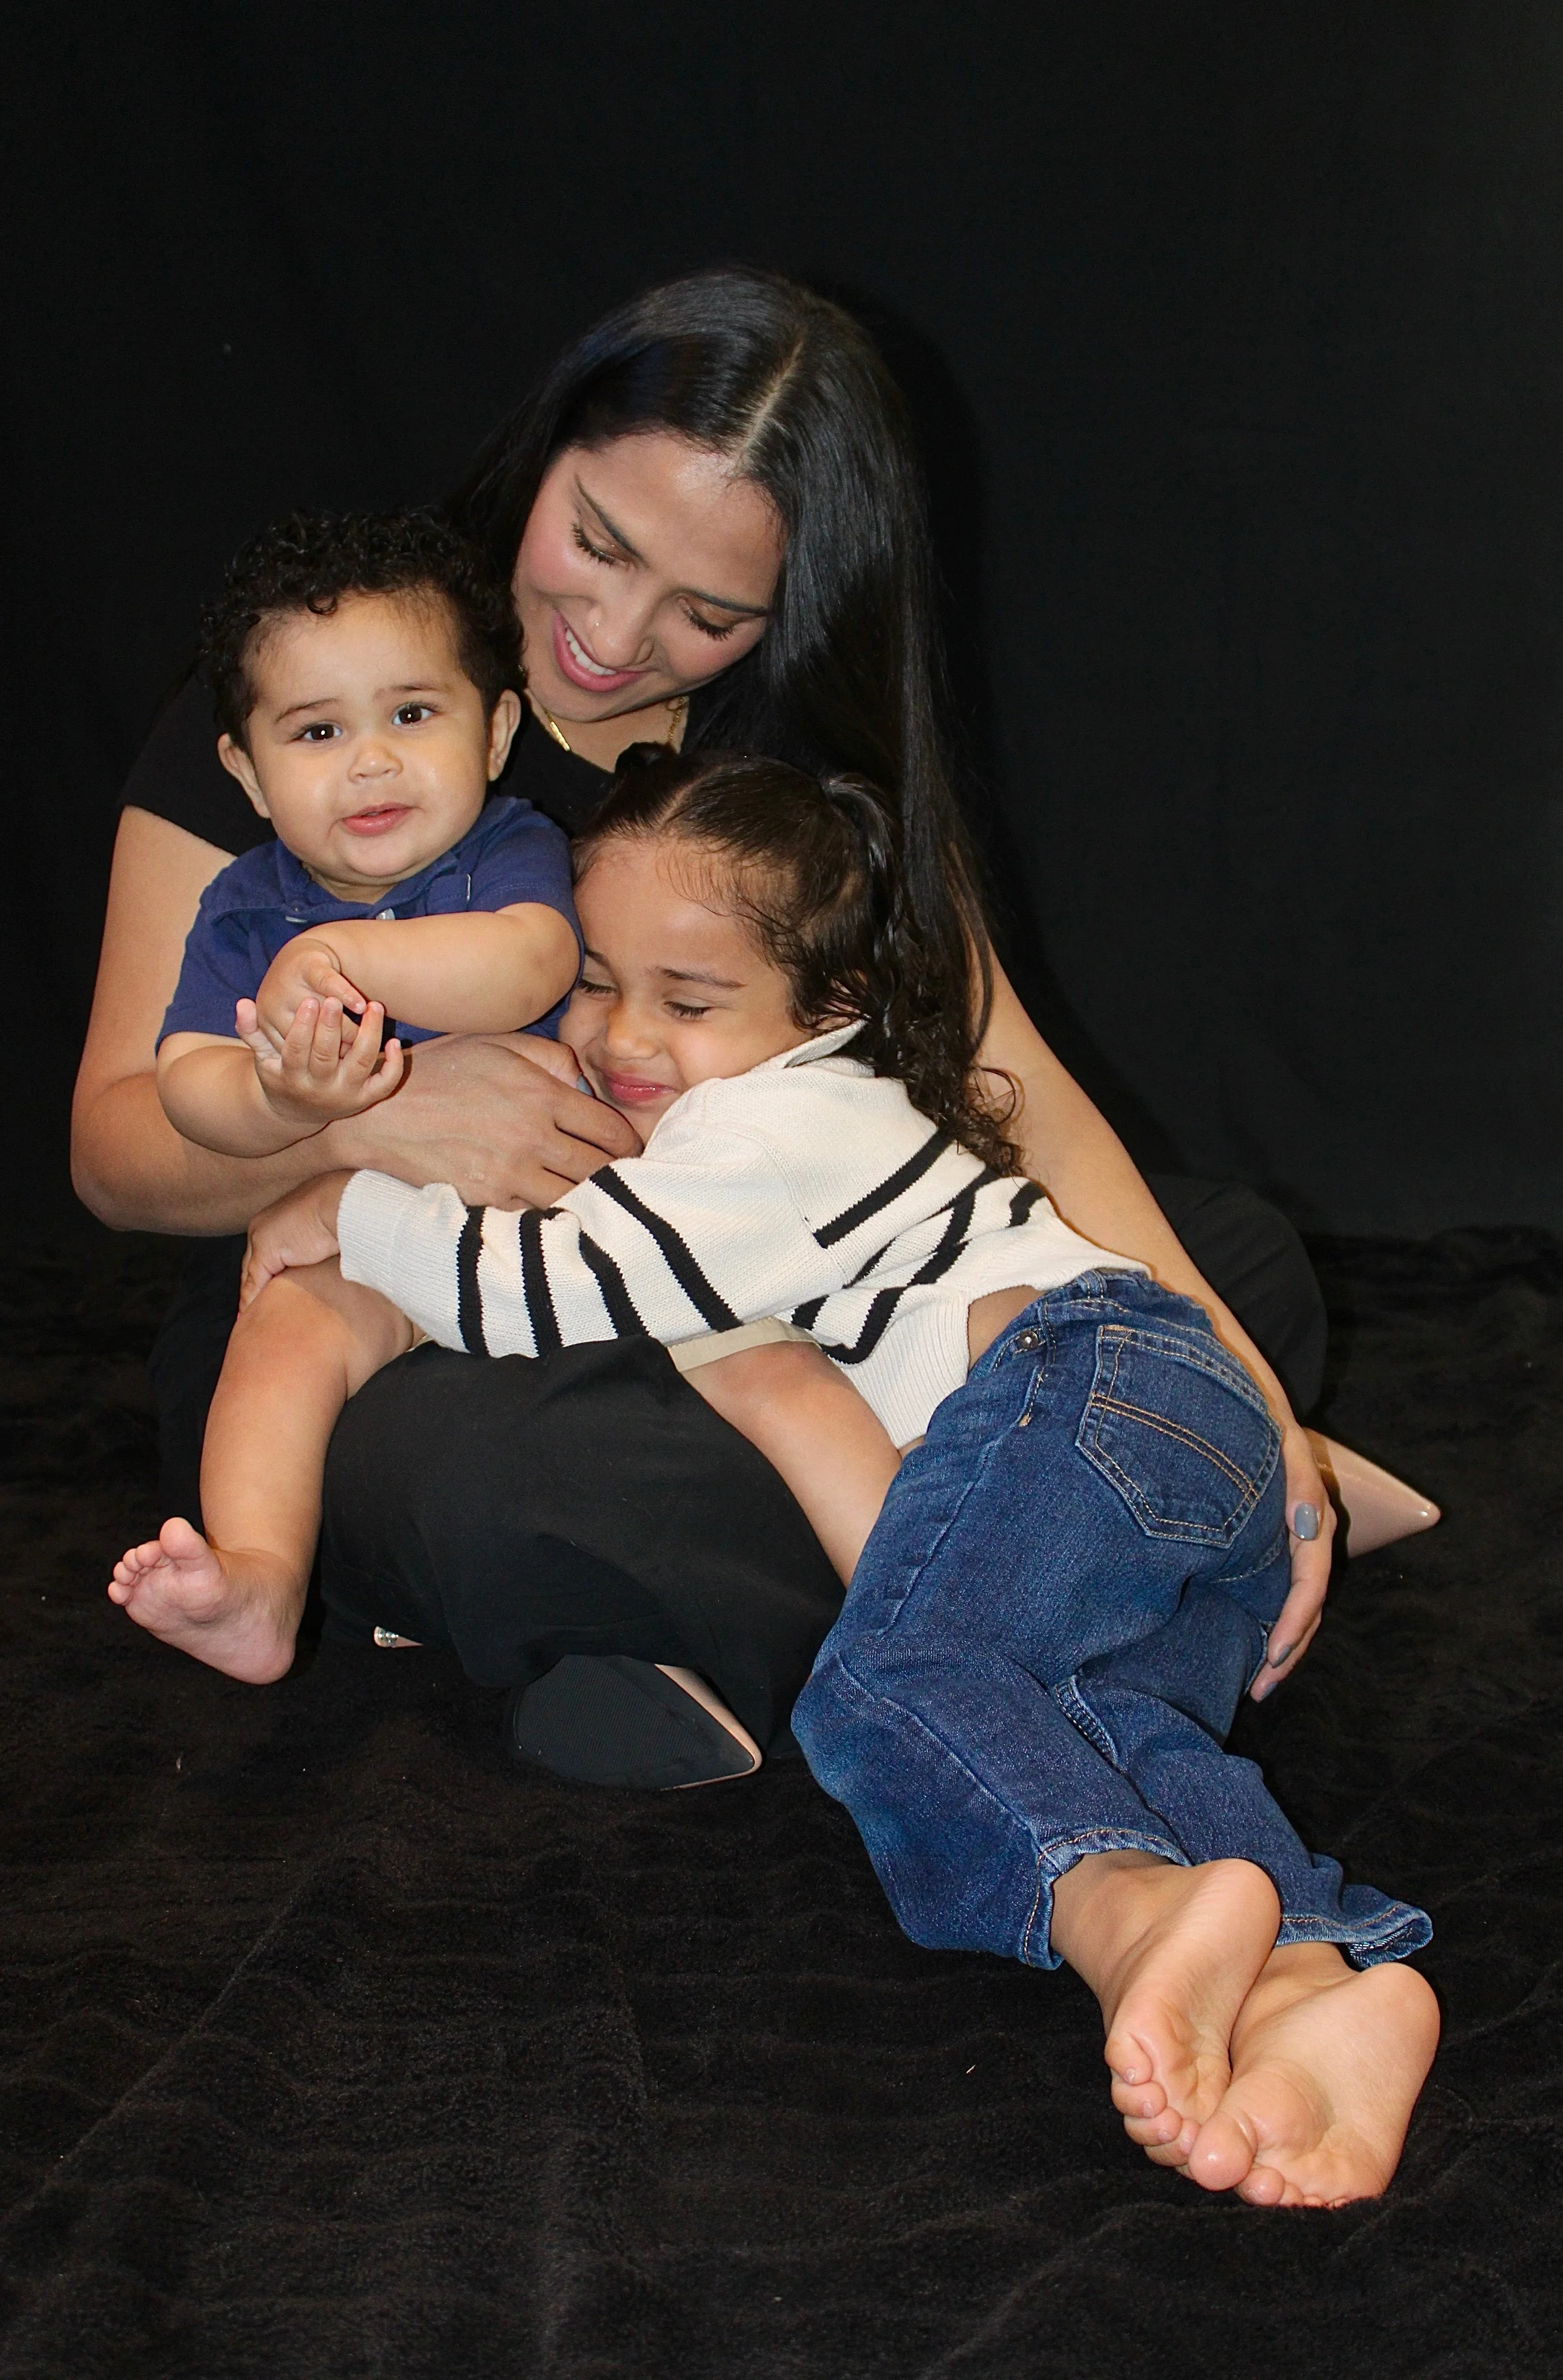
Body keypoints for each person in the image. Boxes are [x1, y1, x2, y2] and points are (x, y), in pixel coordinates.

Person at [76, 266, 1349, 1782]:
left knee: (1231, 1268)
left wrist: (1250, 1399)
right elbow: (112, 1147)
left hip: (751, 1285)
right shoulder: (333, 683)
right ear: (545, 448)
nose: (612, 634)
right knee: (481, 1476)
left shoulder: (803, 765)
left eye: (710, 611)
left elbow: (1010, 1079)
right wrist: (359, 1116)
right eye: (596, 542)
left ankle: (757, 1609)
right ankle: (1048, 1549)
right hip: (403, 1309)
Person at [142, 747, 1437, 2208]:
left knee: (888, 1680)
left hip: (1075, 1389)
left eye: (687, 1002)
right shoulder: (804, 1109)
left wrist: (343, 1211)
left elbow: (542, 1287)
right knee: (1113, 1718)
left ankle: (1125, 1914)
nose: (626, 1034)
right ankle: (1317, 1985)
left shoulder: (762, 1132)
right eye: (596, 983)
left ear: (830, 1009)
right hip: (1174, 1434)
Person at [156, 508, 580, 1164]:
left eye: (411, 714)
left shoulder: (508, 845)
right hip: (350, 1221)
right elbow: (185, 1073)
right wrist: (276, 1101)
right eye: (318, 731)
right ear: (251, 778)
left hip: (525, 1211)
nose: (372, 761)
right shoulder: (244, 907)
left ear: (494, 735)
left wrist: (337, 953)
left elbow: (532, 966)